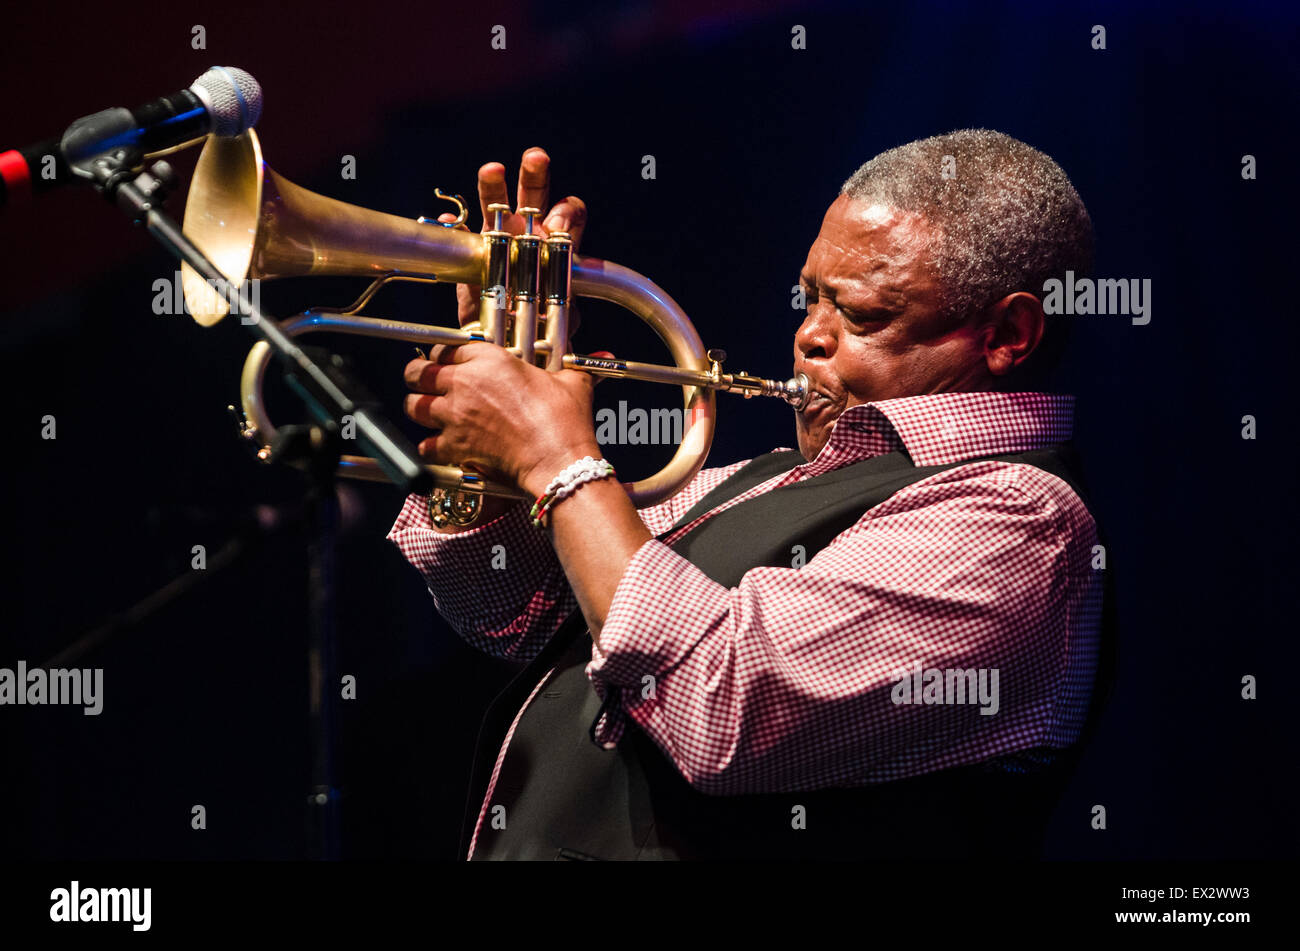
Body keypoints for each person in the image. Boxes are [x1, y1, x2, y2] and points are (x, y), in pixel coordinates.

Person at [389, 129, 1105, 861]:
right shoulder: (771, 476)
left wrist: (560, 457)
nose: (807, 337)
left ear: (1008, 334)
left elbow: (726, 705)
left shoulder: (1019, 518)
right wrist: (485, 466)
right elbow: (517, 609)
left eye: (860, 314)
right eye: (812, 299)